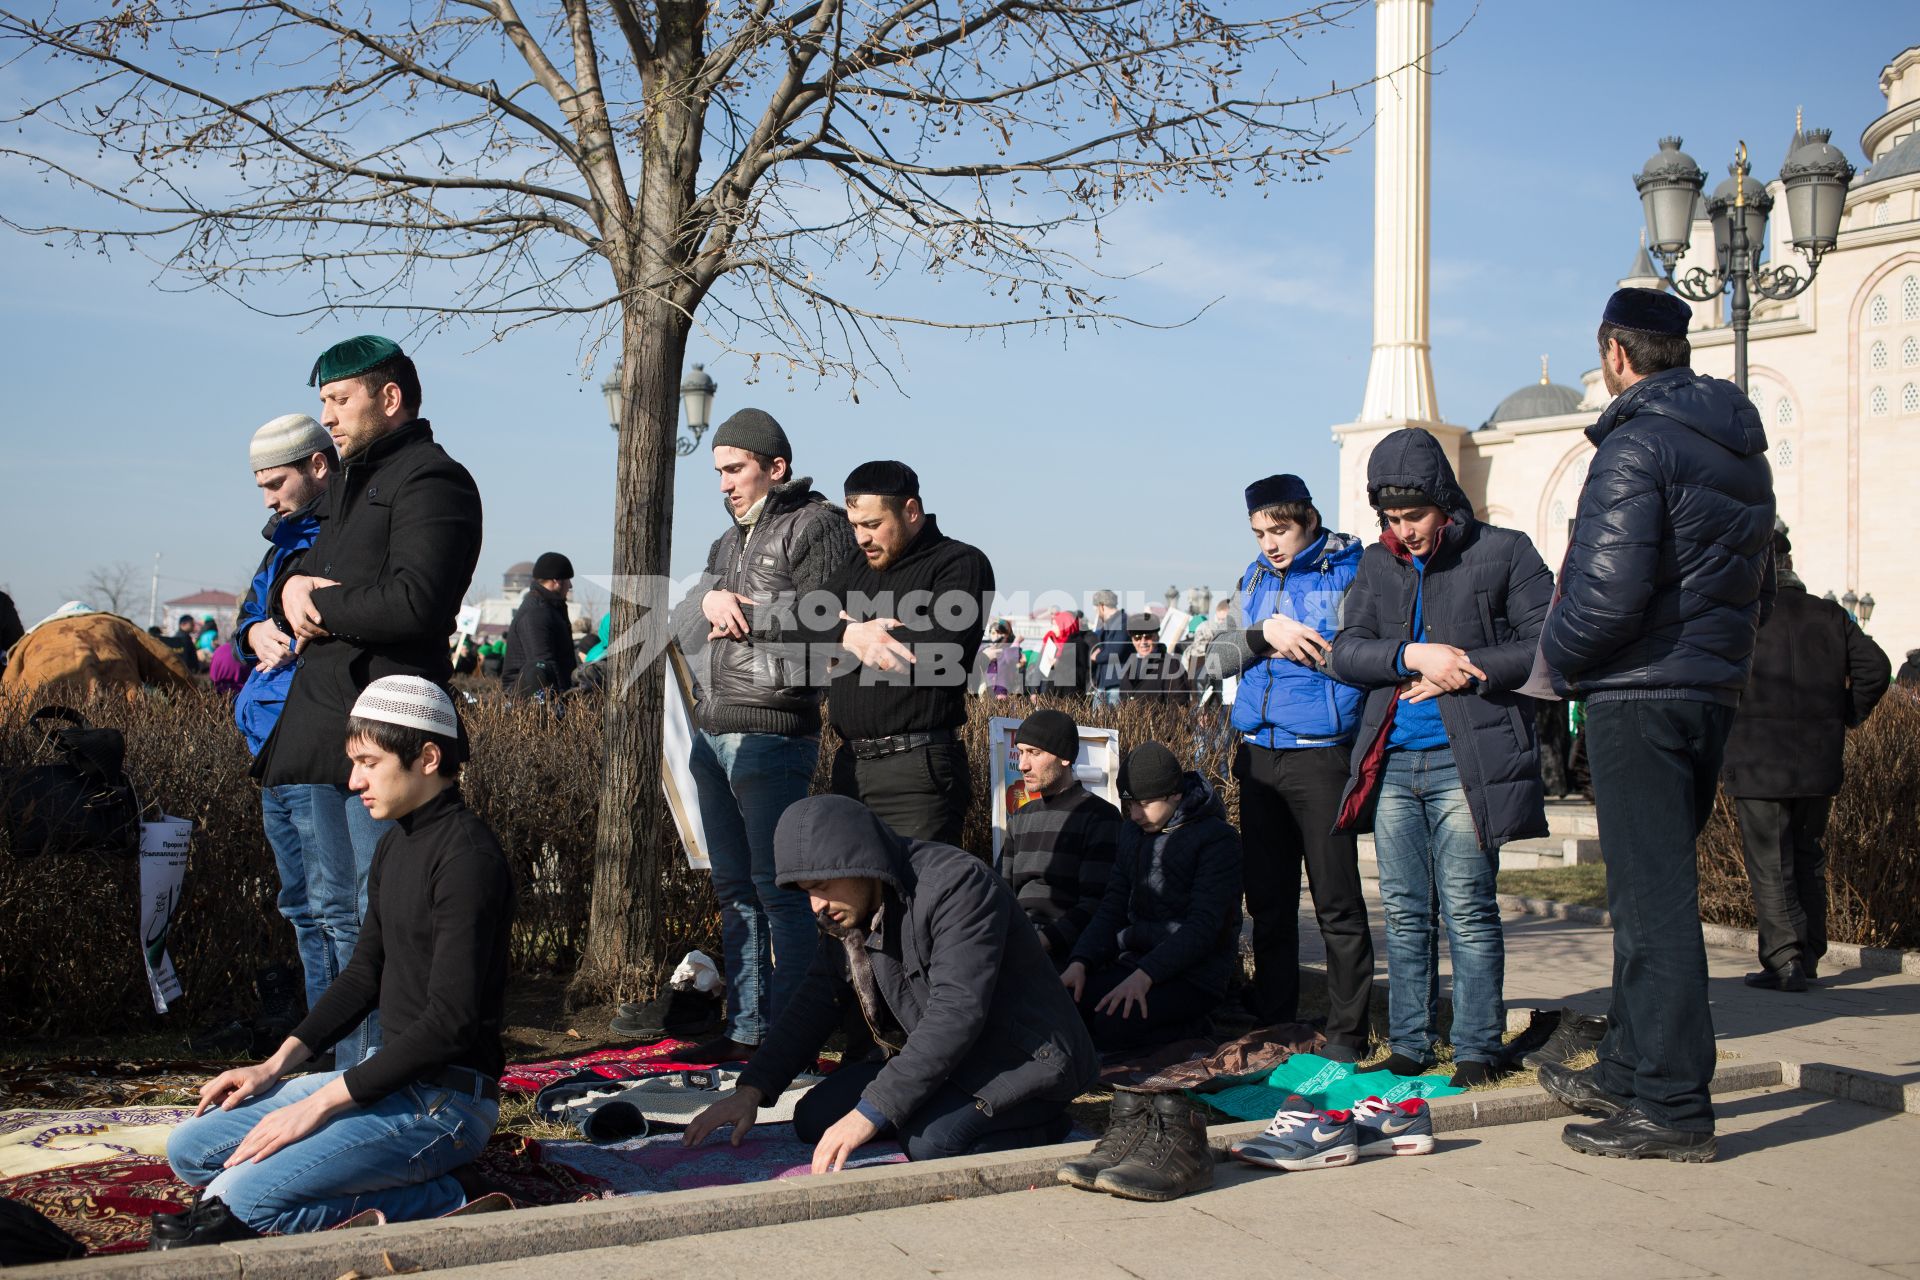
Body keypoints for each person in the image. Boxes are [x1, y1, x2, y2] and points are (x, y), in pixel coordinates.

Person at [1536, 287, 1775, 1163]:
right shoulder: (1739, 448)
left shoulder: (1635, 444)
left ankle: (1672, 1105)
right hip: (1707, 688)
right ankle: (1631, 1065)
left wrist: (1549, 664)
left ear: (1613, 354)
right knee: (1648, 895)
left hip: (1639, 692)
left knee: (1655, 904)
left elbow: (1601, 595)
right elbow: (1762, 584)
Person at [157, 677, 512, 1245]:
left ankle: (450, 1194)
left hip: (444, 1103)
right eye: (354, 763)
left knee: (239, 1201)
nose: (354, 782)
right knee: (192, 1150)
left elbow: (451, 1025)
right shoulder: (398, 840)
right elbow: (364, 974)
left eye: (368, 762)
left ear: (427, 757)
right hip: (385, 1077)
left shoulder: (467, 859)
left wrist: (321, 1103)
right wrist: (274, 1068)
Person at [254, 335, 485, 1070]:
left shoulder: (433, 481)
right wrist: (286, 593)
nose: (328, 418)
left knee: (374, 920)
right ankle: (333, 1071)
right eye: (323, 402)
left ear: (390, 398)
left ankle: (378, 1078)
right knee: (330, 916)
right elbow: (316, 583)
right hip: (321, 733)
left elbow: (418, 601)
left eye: (339, 400)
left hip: (383, 731)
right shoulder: (349, 485)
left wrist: (320, 598)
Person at [681, 795, 1097, 1168]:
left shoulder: (958, 886)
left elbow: (956, 1011)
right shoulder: (849, 907)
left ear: (859, 862)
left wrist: (872, 1112)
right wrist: (752, 1089)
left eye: (823, 886)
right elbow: (816, 999)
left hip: (1026, 1059)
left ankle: (1049, 1125)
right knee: (815, 1119)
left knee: (933, 1143)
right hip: (953, 1059)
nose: (817, 905)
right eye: (807, 891)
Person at [1329, 430, 1555, 1086]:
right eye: (1391, 520)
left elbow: (1547, 642)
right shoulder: (1377, 564)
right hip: (1394, 760)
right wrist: (1410, 656)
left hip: (1469, 761)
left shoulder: (1507, 553)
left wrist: (1467, 666)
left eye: (1415, 517)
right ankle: (1410, 1042)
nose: (1405, 531)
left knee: (1467, 905)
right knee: (1403, 908)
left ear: (1445, 504)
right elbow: (1347, 651)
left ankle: (1478, 1046)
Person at [662, 408, 858, 1059]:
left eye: (735, 469)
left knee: (781, 895)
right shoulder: (727, 542)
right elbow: (687, 616)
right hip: (712, 734)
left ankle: (794, 1038)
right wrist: (709, 601)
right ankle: (746, 1031)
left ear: (776, 468)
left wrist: (741, 608)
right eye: (717, 471)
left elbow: (827, 618)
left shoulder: (818, 523)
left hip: (775, 733)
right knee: (734, 892)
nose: (724, 483)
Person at [1199, 474, 1372, 1057]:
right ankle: (1274, 1018)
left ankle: (1349, 1032)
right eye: (1258, 534)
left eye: (1280, 530)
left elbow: (1364, 661)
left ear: (1309, 519)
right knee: (1268, 901)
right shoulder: (1251, 578)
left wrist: (1305, 645)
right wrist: (1260, 634)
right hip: (1257, 753)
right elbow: (1212, 661)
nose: (1269, 544)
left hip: (1321, 754)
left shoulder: (1352, 572)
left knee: (1336, 900)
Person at [1721, 528, 1890, 990]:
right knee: (1807, 856)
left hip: (1758, 764)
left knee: (1772, 863)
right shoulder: (1830, 614)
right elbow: (1876, 668)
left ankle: (1785, 960)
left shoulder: (1743, 619)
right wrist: (1842, 717)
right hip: (1817, 760)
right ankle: (1807, 955)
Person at [808, 461, 994, 845]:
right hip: (850, 767)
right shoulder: (855, 567)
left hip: (917, 771)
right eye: (855, 526)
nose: (861, 538)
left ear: (911, 511)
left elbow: (938, 654)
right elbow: (797, 622)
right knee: (858, 900)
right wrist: (851, 635)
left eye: (873, 525)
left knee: (916, 898)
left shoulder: (960, 563)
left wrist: (841, 640)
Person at [231, 414, 339, 1031]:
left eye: (275, 483)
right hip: (271, 742)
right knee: (299, 903)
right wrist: (254, 630)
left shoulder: (342, 532)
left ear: (315, 466)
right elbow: (246, 618)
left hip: (311, 735)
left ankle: (338, 1042)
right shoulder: (280, 545)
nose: (268, 498)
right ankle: (316, 1036)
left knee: (331, 905)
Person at [1061, 742, 1242, 1051]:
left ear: (1174, 794)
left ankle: (1194, 1032)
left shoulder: (1217, 840)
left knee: (1113, 1024)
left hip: (1194, 975)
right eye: (1128, 805)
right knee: (1066, 1007)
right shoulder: (1132, 833)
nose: (1134, 815)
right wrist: (1081, 960)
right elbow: (1112, 906)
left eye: (1143, 804)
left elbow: (1204, 927)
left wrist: (1147, 975)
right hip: (1134, 961)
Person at [1001, 708, 1120, 967]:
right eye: (1020, 752)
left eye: (1034, 753)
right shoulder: (1019, 819)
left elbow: (1098, 905)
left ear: (1064, 757)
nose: (1023, 764)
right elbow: (1002, 894)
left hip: (1068, 951)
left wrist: (1041, 942)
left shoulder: (1100, 817)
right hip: (1017, 939)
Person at [500, 551, 577, 696]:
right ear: (556, 580)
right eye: (568, 580)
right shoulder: (536, 613)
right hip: (530, 697)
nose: (570, 585)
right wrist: (562, 699)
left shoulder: (549, 608)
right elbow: (542, 660)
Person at [1112, 613, 1193, 703]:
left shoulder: (1171, 665)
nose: (1143, 642)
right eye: (1137, 638)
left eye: (1148, 637)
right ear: (1132, 640)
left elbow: (1178, 702)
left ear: (1157, 637)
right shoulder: (1129, 665)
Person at [1088, 589, 1127, 707]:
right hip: (1104, 683)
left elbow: (1115, 651)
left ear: (1102, 606)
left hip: (1115, 683)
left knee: (1110, 722)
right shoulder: (1109, 625)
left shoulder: (1122, 623)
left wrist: (1097, 656)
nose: (1096, 613)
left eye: (1096, 609)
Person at [978, 619, 1024, 700]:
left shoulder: (1009, 650)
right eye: (993, 633)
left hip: (1003, 695)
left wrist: (1016, 642)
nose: (996, 636)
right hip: (985, 695)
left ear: (1006, 636)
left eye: (999, 633)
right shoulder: (984, 649)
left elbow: (1011, 657)